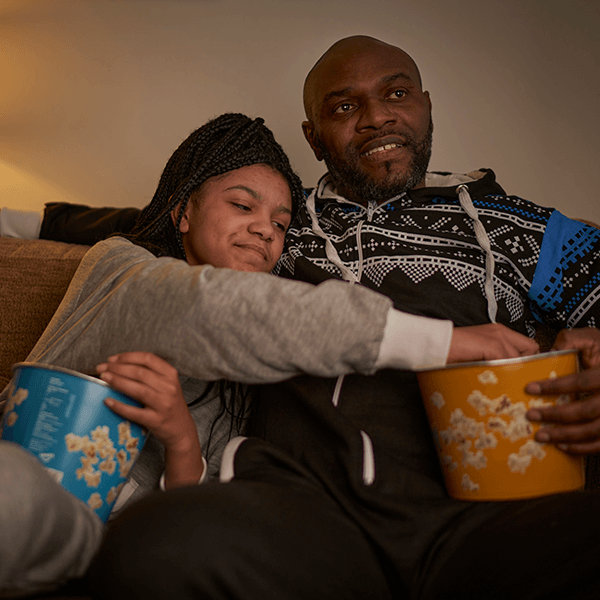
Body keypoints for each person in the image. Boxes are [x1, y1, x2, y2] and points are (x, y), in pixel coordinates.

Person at [79, 36, 600, 600]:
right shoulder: (278, 219)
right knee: (156, 545)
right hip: (299, 513)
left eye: (396, 93)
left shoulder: (520, 225)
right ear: (314, 136)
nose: (377, 117)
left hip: (491, 510)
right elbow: (155, 219)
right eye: (345, 107)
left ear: (426, 106)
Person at [1, 110, 527, 597]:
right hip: (41, 499)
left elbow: (189, 514)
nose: (264, 229)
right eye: (242, 205)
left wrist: (183, 443)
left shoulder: (254, 376)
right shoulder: (124, 269)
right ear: (183, 212)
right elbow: (209, 308)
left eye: (280, 223)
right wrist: (444, 342)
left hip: (118, 550)